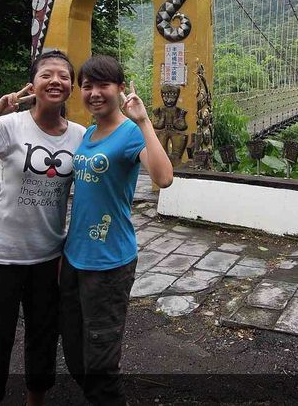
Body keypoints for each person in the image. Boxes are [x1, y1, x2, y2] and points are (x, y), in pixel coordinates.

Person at [0, 51, 84, 406]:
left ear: (71, 86)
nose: (56, 81)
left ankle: (35, 400)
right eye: (46, 75)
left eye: (64, 76)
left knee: (43, 335)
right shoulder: (12, 125)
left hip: (48, 255)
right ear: (33, 84)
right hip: (0, 255)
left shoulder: (80, 136)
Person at [61, 55, 173, 405]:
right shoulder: (91, 132)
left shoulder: (129, 133)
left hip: (109, 262)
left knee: (100, 359)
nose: (94, 93)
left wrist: (144, 123)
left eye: (103, 85)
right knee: (75, 349)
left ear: (120, 89)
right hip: (74, 256)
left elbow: (164, 177)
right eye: (87, 86)